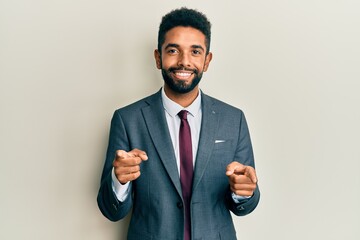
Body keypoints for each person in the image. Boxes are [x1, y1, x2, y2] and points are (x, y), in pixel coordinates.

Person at [97, 7, 260, 240]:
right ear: (158, 57)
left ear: (207, 61)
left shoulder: (233, 119)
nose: (184, 62)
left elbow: (245, 204)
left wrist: (243, 192)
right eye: (173, 50)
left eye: (195, 51)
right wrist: (119, 179)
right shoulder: (128, 120)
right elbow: (110, 210)